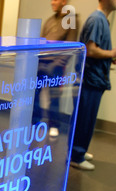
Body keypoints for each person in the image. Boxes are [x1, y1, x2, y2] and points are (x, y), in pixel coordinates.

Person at [70, 0, 116, 171]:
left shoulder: (101, 20)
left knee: (87, 119)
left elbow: (96, 51)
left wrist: (110, 57)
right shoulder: (96, 20)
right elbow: (91, 50)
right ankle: (76, 156)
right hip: (90, 80)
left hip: (94, 80)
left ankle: (79, 151)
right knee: (85, 119)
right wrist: (112, 53)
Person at [33, 0, 80, 137]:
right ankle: (35, 121)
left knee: (54, 97)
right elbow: (41, 42)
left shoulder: (71, 19)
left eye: (55, 0)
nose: (52, 2)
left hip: (56, 65)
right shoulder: (49, 20)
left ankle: (54, 125)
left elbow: (70, 47)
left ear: (64, 1)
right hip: (41, 62)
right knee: (35, 94)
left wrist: (56, 64)